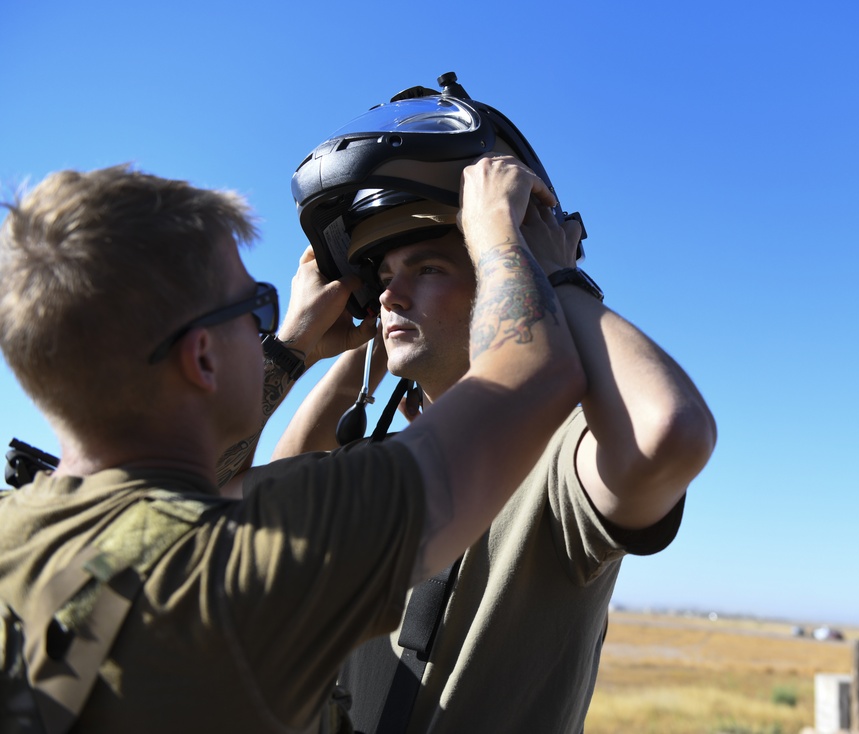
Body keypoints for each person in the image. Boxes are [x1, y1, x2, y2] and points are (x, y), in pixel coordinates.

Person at [0, 160, 584, 732]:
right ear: (202, 357)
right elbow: (535, 377)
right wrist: (506, 239)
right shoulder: (247, 563)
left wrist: (291, 347)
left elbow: (202, 484)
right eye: (256, 307)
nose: (273, 329)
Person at [253, 86, 718, 732]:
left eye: (427, 269)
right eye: (382, 278)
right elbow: (266, 511)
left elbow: (670, 431)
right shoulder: (379, 461)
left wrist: (546, 270)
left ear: (503, 278)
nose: (392, 295)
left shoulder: (557, 463)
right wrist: (310, 346)